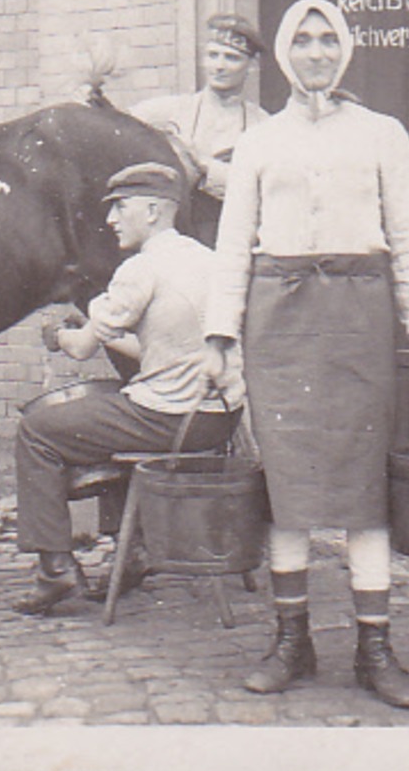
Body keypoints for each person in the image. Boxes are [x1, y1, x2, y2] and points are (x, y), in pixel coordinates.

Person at [204, 0, 409, 709]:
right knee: (286, 491)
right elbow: (232, 247)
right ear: (284, 54)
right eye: (303, 40)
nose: (316, 52)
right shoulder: (257, 142)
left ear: (342, 50)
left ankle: (374, 650)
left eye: (327, 40)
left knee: (360, 491)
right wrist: (219, 340)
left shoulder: (382, 134)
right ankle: (292, 642)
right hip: (276, 319)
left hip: (357, 317)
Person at [13, 162, 244, 615]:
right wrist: (103, 329)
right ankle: (134, 549)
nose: (111, 219)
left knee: (38, 429)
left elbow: (79, 349)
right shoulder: (209, 259)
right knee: (107, 403)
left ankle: (55, 570)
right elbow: (166, 350)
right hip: (219, 419)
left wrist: (59, 336)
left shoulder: (140, 270)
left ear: (154, 210)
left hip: (171, 419)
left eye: (120, 207)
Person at [130, 13, 270, 244]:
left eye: (232, 58)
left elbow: (258, 191)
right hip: (179, 238)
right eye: (213, 55)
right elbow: (121, 124)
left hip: (232, 239)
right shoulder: (172, 110)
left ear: (251, 67)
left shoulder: (261, 125)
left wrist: (203, 163)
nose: (219, 66)